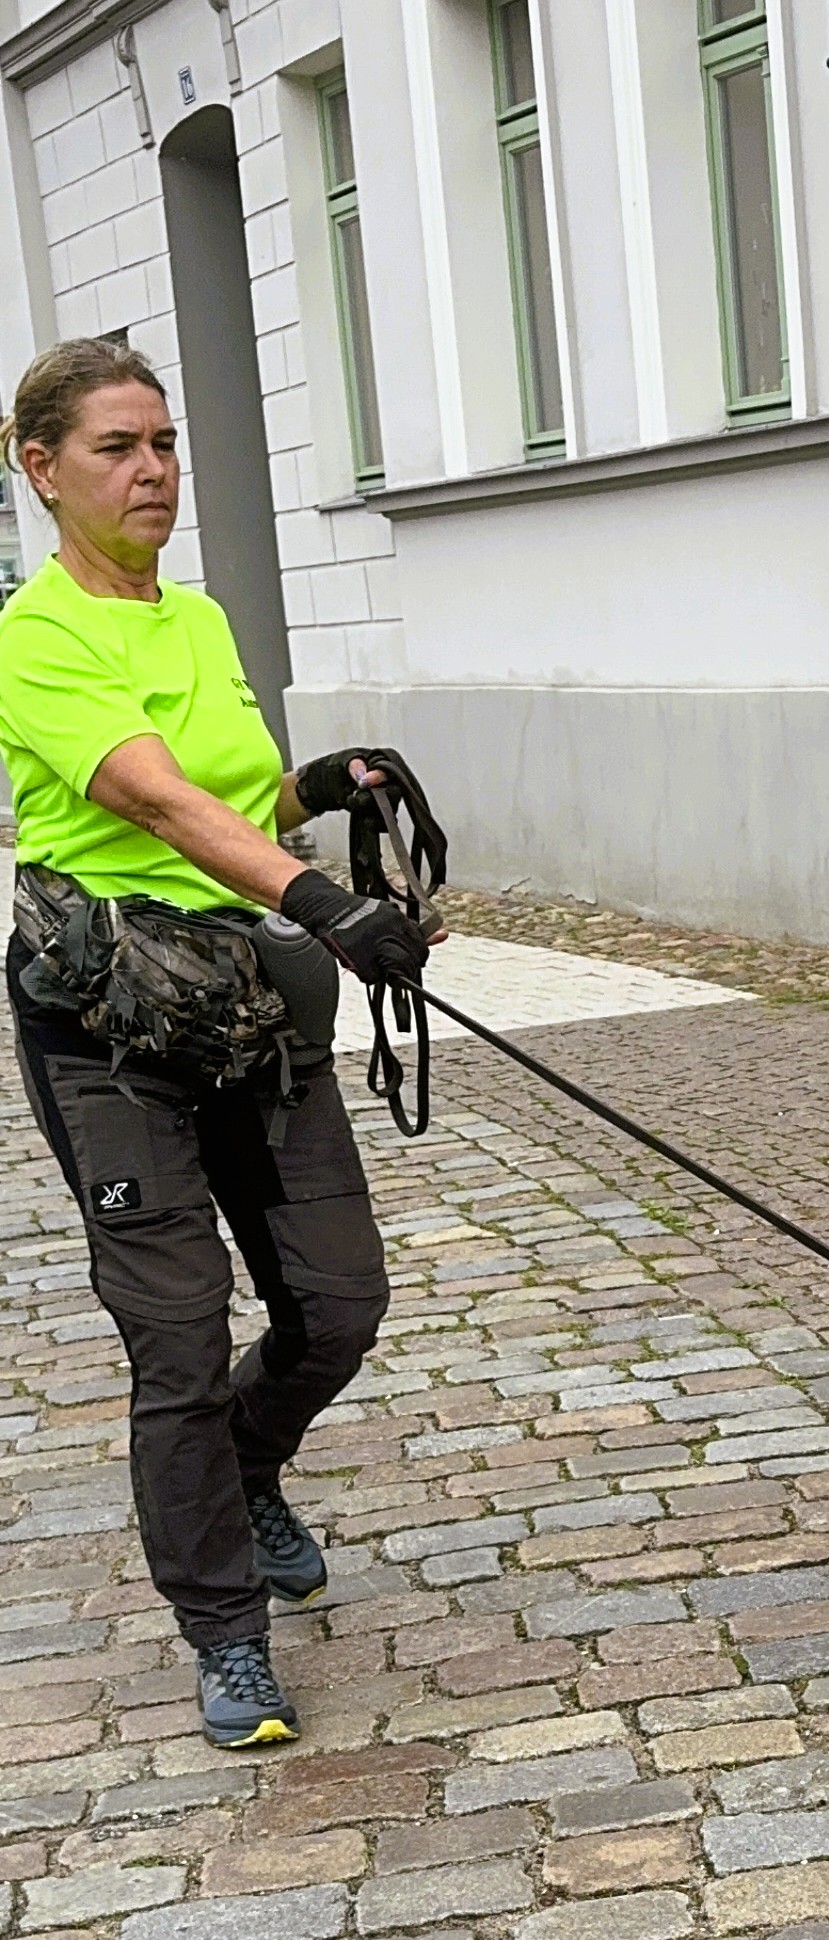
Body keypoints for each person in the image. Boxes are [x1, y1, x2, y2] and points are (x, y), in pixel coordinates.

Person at [0, 337, 435, 1748]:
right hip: (110, 1027)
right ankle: (225, 1631)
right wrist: (329, 904)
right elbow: (159, 805)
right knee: (176, 1339)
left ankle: (248, 1468)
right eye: (118, 446)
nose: (151, 470)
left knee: (341, 1304)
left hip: (249, 1007)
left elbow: (236, 796)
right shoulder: (33, 633)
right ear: (40, 466)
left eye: (165, 442)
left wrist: (327, 783)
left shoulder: (197, 619)